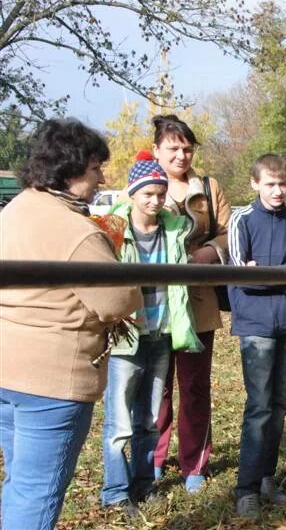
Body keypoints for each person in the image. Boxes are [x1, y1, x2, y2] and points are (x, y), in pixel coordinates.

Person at [0, 118, 142, 529]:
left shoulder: (15, 209)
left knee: (21, 484)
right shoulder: (76, 232)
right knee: (38, 494)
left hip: (7, 371)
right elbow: (118, 300)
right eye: (97, 167)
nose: (102, 177)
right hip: (51, 382)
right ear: (73, 167)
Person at [100, 159, 204, 514]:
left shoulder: (173, 229)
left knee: (150, 417)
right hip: (127, 337)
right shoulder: (114, 231)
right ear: (132, 195)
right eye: (148, 194)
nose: (155, 201)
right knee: (119, 422)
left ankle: (144, 484)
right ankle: (115, 492)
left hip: (161, 333)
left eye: (160, 194)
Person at [227, 154, 286, 519]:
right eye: (270, 184)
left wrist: (267, 275)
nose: (277, 191)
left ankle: (267, 476)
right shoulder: (241, 221)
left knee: (279, 406)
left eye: (282, 184)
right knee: (259, 407)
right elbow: (241, 276)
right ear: (255, 184)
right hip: (256, 327)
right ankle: (245, 488)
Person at [149, 114, 231, 493]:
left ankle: (194, 463)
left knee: (195, 386)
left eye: (187, 148)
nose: (181, 155)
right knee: (155, 386)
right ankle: (153, 457)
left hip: (197, 301)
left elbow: (230, 233)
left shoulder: (209, 188)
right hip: (155, 302)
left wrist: (209, 253)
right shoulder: (144, 186)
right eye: (173, 148)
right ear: (157, 151)